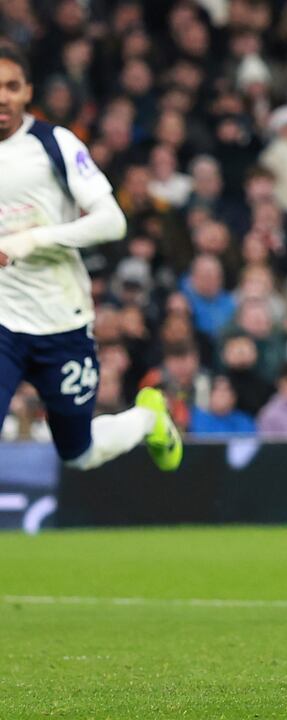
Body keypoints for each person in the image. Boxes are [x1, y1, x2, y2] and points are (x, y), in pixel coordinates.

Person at [0, 45, 181, 472]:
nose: (1, 96)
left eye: (11, 86)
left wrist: (32, 240)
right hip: (3, 320)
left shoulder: (53, 143)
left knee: (78, 453)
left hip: (61, 319)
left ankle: (146, 418)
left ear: (27, 91)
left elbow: (111, 222)